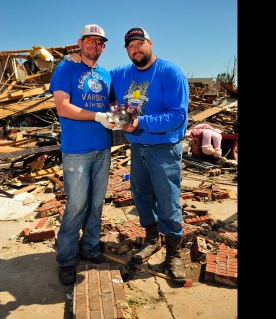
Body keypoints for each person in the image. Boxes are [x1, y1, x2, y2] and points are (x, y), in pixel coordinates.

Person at [71, 27, 189, 279]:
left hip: (164, 148)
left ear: (150, 43)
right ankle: (151, 239)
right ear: (126, 50)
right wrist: (76, 60)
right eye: (130, 46)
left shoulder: (170, 72)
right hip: (137, 148)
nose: (135, 49)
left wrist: (140, 123)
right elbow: (97, 76)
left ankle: (173, 255)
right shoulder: (121, 74)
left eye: (140, 43)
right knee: (142, 196)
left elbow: (178, 116)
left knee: (168, 200)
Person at [49, 24, 115, 286]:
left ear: (104, 47)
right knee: (77, 204)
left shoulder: (105, 74)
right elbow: (63, 107)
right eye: (90, 40)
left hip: (103, 147)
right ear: (80, 42)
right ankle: (66, 259)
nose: (94, 45)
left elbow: (109, 104)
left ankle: (90, 248)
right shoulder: (66, 68)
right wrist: (98, 116)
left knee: (96, 203)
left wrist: (120, 114)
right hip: (77, 150)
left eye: (99, 42)